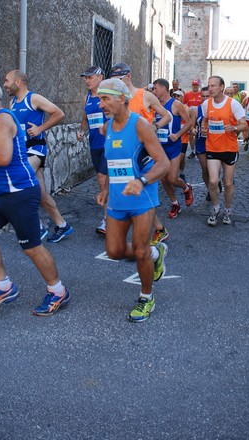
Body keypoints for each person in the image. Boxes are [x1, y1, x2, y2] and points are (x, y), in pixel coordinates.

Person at [0, 78, 70, 316]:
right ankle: (4, 286)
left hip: (19, 194)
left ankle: (58, 291)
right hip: (0, 195)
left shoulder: (2, 119)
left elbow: (2, 157)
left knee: (32, 247)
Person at [96, 78, 170, 323]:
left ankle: (146, 297)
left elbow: (163, 163)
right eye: (99, 99)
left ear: (122, 98)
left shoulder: (141, 126)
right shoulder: (107, 128)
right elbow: (111, 161)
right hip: (117, 199)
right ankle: (155, 253)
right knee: (114, 251)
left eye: (105, 99)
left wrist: (142, 181)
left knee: (139, 251)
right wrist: (106, 188)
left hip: (142, 198)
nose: (101, 104)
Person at [3, 70, 73, 243]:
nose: (4, 84)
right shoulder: (12, 102)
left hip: (36, 150)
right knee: (41, 194)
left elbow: (59, 113)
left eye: (7, 80)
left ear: (18, 82)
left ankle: (36, 226)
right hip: (21, 151)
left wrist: (40, 129)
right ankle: (62, 225)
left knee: (20, 182)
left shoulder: (33, 98)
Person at [109, 62, 172, 244]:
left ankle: (155, 231)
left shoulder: (145, 96)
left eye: (119, 80)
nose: (116, 84)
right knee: (131, 193)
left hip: (144, 152)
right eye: (113, 80)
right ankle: (158, 229)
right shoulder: (116, 99)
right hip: (123, 153)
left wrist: (154, 126)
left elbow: (167, 115)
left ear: (128, 77)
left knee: (141, 193)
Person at [201, 76, 247, 226]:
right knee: (213, 181)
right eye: (209, 86)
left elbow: (244, 125)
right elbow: (206, 119)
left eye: (214, 86)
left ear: (222, 87)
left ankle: (227, 210)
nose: (211, 89)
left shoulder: (233, 104)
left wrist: (233, 128)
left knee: (227, 183)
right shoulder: (206, 104)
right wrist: (203, 127)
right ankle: (215, 208)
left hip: (229, 148)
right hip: (213, 148)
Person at [152, 78, 194, 218]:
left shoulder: (176, 104)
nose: (153, 91)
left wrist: (177, 135)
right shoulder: (155, 105)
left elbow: (188, 123)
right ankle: (175, 204)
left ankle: (186, 188)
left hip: (174, 146)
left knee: (172, 178)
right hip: (160, 147)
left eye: (155, 88)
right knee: (164, 179)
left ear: (163, 88)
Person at [77, 65, 108, 234]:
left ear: (100, 78)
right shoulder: (86, 99)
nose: (87, 81)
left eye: (90, 77)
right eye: (85, 78)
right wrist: (82, 131)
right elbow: (85, 118)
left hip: (108, 145)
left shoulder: (107, 96)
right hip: (94, 145)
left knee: (103, 180)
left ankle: (107, 220)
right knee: (102, 181)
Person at [171, 89, 197, 183]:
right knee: (173, 157)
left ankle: (180, 173)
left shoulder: (187, 109)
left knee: (181, 157)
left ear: (182, 97)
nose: (176, 98)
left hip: (183, 138)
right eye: (174, 96)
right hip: (173, 137)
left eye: (178, 96)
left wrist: (192, 129)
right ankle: (174, 174)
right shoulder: (171, 107)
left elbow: (190, 122)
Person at [183, 79, 203, 159]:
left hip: (200, 115)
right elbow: (184, 105)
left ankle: (201, 149)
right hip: (191, 116)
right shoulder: (187, 94)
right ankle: (193, 151)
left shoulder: (201, 94)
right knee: (191, 134)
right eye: (194, 85)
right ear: (192, 85)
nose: (195, 86)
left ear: (199, 86)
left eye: (196, 85)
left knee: (202, 132)